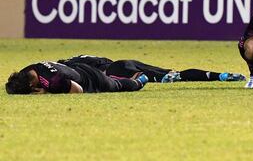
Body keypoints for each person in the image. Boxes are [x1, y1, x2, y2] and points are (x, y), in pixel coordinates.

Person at [57, 55, 246, 83]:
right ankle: (220, 75)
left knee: (172, 79)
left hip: (116, 69)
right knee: (176, 74)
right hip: (125, 62)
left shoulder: (72, 65)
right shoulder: (87, 56)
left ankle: (220, 76)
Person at [5, 61, 148, 95]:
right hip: (75, 67)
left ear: (31, 86)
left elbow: (78, 91)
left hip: (91, 79)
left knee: (116, 86)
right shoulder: (28, 70)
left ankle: (140, 80)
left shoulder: (53, 82)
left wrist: (47, 92)